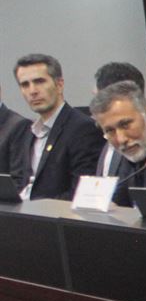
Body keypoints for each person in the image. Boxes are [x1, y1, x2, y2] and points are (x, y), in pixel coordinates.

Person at [9, 54, 102, 201]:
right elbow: (19, 180)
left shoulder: (83, 129)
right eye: (25, 85)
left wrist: (34, 207)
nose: (32, 91)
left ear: (59, 85)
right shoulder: (27, 131)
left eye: (39, 81)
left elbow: (81, 193)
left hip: (55, 214)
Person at [90, 82, 146, 206]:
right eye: (110, 131)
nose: (121, 139)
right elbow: (118, 200)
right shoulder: (132, 150)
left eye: (125, 125)